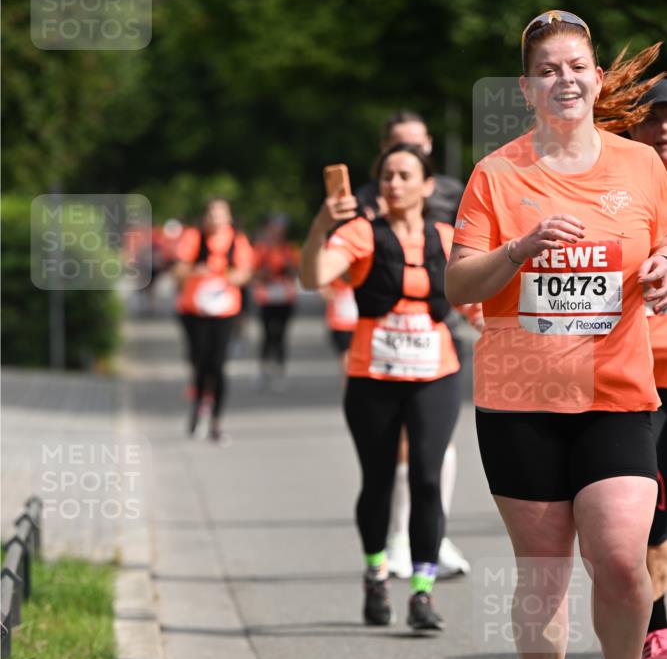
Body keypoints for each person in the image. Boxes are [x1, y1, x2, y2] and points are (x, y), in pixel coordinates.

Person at [445, 10, 667, 659]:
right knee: (542, 574)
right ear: (525, 88)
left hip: (616, 393)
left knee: (621, 559)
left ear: (596, 78)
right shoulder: (496, 175)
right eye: (546, 70)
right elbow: (458, 283)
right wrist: (517, 248)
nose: (563, 79)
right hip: (520, 401)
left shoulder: (642, 166)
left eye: (575, 66)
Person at [301, 143, 469, 632]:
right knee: (377, 482)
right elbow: (313, 276)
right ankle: (376, 573)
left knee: (427, 479)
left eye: (405, 175)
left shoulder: (447, 237)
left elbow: (475, 301)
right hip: (372, 377)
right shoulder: (360, 233)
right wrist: (320, 225)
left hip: (435, 374)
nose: (394, 184)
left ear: (427, 185)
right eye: (387, 176)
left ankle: (422, 591)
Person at [357, 110, 471, 580]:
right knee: (398, 449)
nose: (411, 153)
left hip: (443, 325)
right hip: (385, 334)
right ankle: (397, 537)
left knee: (436, 445)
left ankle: (433, 536)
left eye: (420, 145)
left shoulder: (452, 192)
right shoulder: (366, 201)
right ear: (384, 150)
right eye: (400, 146)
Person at [629, 79, 667, 659]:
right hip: (634, 373)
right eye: (651, 118)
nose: (662, 129)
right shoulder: (614, 189)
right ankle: (654, 628)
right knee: (645, 513)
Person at [173, 197, 253, 441]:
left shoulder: (237, 240)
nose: (216, 219)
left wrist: (224, 276)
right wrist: (195, 271)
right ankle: (198, 408)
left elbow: (244, 273)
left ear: (228, 217)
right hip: (194, 311)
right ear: (205, 217)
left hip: (223, 311)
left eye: (221, 214)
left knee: (217, 365)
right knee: (200, 363)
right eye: (212, 214)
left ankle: (216, 420)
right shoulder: (193, 237)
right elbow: (178, 270)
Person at [251, 214, 300, 392]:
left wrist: (288, 269)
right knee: (266, 334)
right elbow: (253, 271)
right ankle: (264, 370)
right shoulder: (261, 249)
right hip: (266, 297)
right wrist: (265, 273)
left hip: (285, 297)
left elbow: (297, 270)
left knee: (281, 334)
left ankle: (279, 370)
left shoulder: (290, 249)